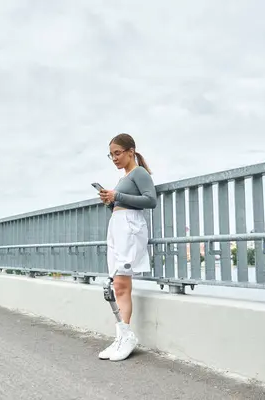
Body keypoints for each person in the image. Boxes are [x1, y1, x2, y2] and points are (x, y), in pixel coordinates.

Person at [97, 133, 157, 361]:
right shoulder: (125, 178)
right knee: (117, 283)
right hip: (118, 226)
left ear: (131, 151)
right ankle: (122, 336)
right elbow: (120, 205)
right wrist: (110, 202)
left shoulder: (139, 173)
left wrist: (117, 195)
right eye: (111, 155)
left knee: (122, 282)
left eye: (117, 153)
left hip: (131, 228)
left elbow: (151, 200)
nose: (114, 158)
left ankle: (127, 336)